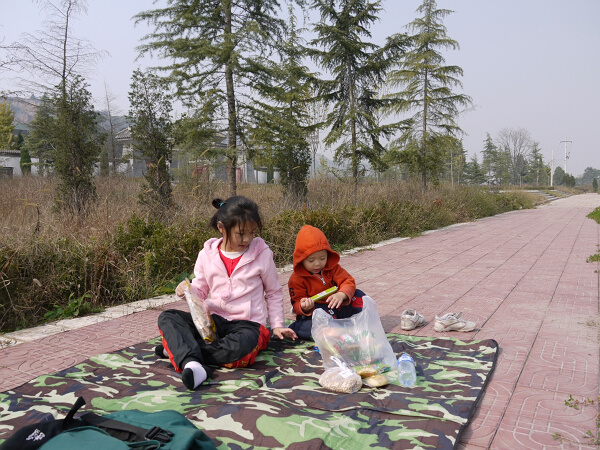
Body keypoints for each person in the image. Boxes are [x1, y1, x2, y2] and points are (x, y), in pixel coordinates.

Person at [155, 196, 297, 390]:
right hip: (214, 323)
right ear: (222, 228)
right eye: (241, 233)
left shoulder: (262, 254)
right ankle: (192, 364)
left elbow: (273, 293)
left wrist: (278, 325)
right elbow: (201, 291)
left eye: (252, 232)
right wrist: (186, 289)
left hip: (248, 327)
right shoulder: (207, 254)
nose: (247, 239)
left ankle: (181, 350)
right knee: (168, 317)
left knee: (243, 347)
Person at [288, 225, 364, 340]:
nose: (317, 264)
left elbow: (348, 281)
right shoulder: (296, 278)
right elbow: (296, 302)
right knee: (308, 326)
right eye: (311, 260)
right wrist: (304, 306)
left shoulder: (333, 268)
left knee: (359, 296)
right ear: (301, 259)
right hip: (316, 313)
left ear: (328, 255)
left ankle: (354, 324)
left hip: (336, 306)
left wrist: (341, 294)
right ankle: (299, 329)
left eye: (322, 258)